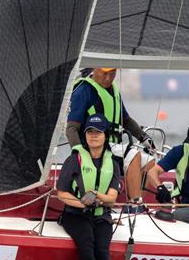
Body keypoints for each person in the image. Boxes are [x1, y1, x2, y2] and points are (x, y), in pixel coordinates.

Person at [66, 67, 155, 212]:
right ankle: (134, 206)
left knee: (150, 162)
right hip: (94, 147)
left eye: (112, 73)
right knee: (133, 154)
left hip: (113, 145)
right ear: (94, 70)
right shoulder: (83, 91)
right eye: (104, 73)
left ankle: (135, 204)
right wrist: (79, 154)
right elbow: (71, 129)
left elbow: (125, 120)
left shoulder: (113, 90)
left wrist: (143, 137)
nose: (108, 78)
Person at [56, 114, 121, 260]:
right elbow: (61, 193)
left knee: (102, 247)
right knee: (86, 242)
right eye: (90, 132)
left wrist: (95, 195)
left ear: (105, 135)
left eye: (98, 132)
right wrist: (81, 203)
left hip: (101, 214)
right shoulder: (74, 160)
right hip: (75, 214)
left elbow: (112, 198)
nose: (93, 136)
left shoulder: (113, 164)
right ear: (84, 135)